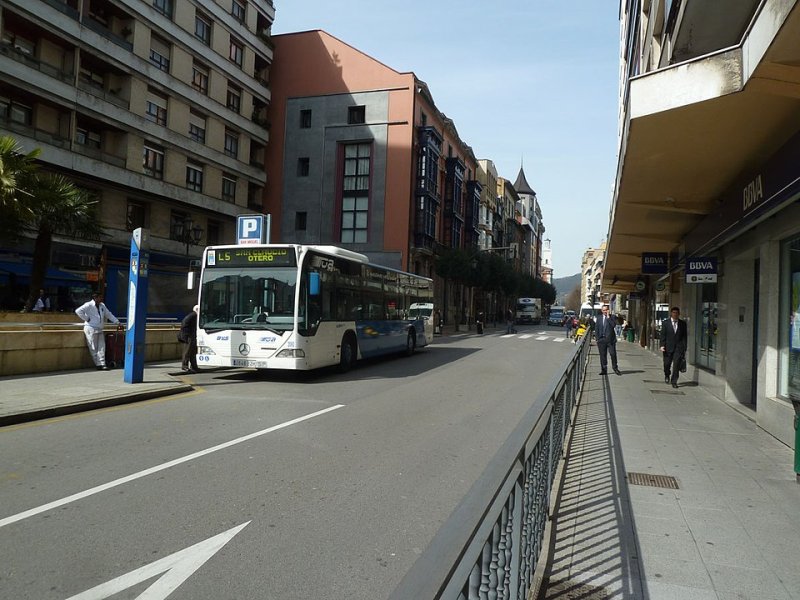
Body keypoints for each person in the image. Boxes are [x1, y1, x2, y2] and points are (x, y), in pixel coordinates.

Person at [75, 292, 119, 370]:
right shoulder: (88, 305)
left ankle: (102, 363)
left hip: (99, 328)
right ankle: (98, 364)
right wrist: (87, 318)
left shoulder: (102, 305)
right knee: (93, 347)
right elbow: (78, 311)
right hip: (90, 328)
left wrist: (117, 322)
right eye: (100, 297)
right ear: (95, 298)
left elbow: (108, 314)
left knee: (102, 347)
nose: (101, 299)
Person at [659, 306, 688, 388]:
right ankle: (667, 374)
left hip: (678, 348)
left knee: (676, 365)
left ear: (679, 314)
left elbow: (684, 337)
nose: (675, 314)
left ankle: (674, 381)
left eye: (676, 313)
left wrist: (684, 347)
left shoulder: (683, 324)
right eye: (673, 313)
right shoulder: (665, 323)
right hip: (667, 348)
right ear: (671, 314)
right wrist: (662, 345)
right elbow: (663, 335)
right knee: (667, 364)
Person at [595, 304, 621, 376]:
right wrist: (597, 338)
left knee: (613, 354)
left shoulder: (612, 317)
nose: (605, 311)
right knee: (603, 355)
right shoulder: (599, 318)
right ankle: (604, 369)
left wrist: (608, 317)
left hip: (610, 340)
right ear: (601, 310)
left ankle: (615, 368)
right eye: (603, 310)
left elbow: (613, 325)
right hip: (601, 339)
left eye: (606, 310)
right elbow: (596, 328)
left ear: (608, 310)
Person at [180, 305, 199, 373]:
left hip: (191, 335)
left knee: (192, 352)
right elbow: (184, 324)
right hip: (189, 336)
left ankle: (194, 366)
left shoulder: (193, 315)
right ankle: (184, 366)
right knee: (187, 351)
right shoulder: (193, 315)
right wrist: (187, 335)